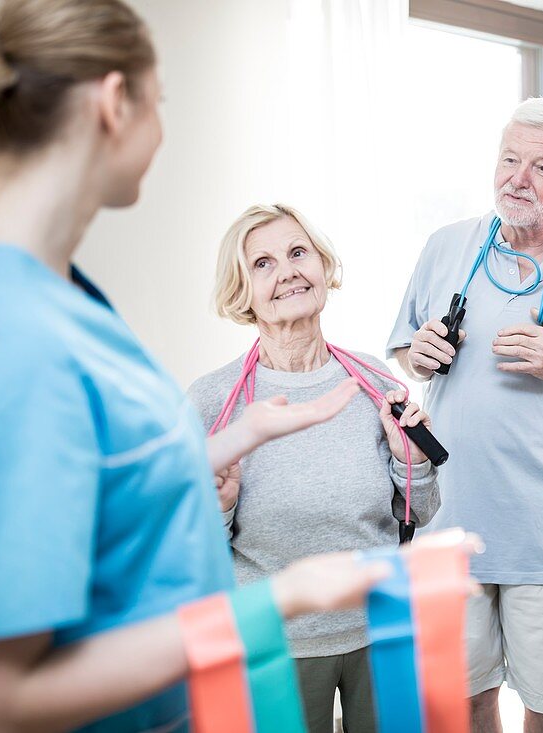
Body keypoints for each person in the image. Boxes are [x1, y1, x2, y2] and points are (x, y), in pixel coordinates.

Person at [0, 2, 392, 730]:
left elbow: (97, 485)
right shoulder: (15, 338)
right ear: (114, 102)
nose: (161, 131)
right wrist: (278, 600)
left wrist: (234, 438)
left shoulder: (57, 297)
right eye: (159, 105)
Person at [388, 98, 543, 733]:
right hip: (452, 522)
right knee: (464, 700)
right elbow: (406, 353)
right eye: (509, 159)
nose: (517, 179)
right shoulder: (447, 246)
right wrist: (423, 355)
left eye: (542, 167)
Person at [188, 203, 441, 733]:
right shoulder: (213, 404)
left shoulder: (373, 381)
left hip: (379, 632)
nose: (287, 272)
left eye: (298, 252)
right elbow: (194, 552)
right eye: (262, 263)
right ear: (242, 291)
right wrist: (222, 505)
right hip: (276, 643)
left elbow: (417, 513)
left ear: (323, 266)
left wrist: (408, 460)